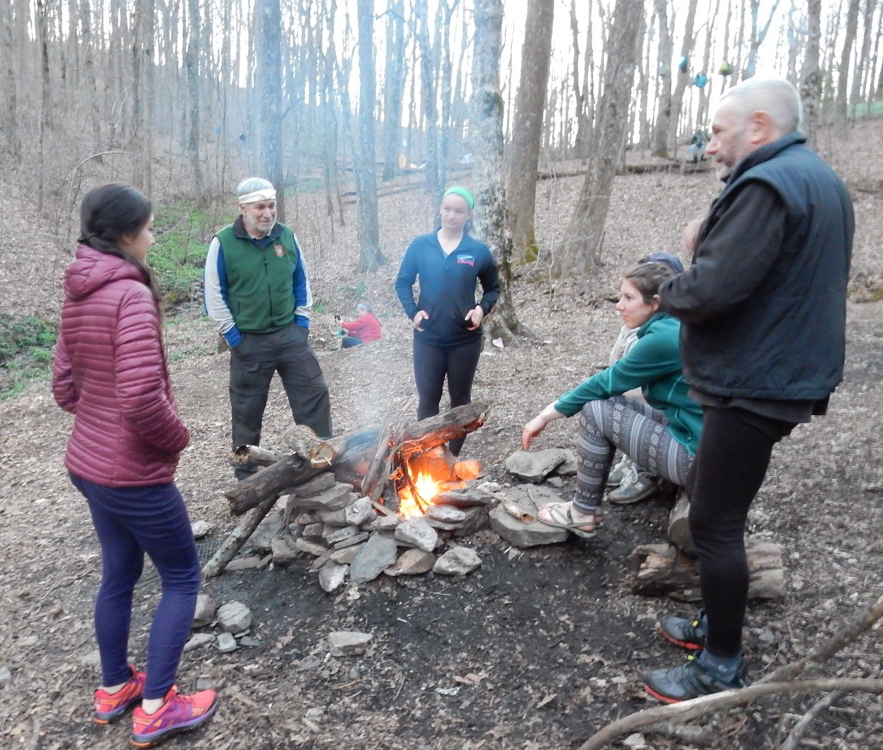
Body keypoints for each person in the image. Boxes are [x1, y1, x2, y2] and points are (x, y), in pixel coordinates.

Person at [644, 78, 854, 703]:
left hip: (754, 381)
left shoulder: (766, 184)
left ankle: (720, 665)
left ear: (758, 127)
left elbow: (710, 291)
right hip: (777, 373)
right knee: (712, 497)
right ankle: (716, 623)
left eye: (716, 132)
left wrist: (679, 271)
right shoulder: (817, 177)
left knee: (713, 520)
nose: (709, 147)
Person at [52, 184, 218, 747]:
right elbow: (144, 397)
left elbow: (64, 388)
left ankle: (115, 687)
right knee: (181, 576)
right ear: (125, 233)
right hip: (131, 473)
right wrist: (177, 439)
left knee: (120, 574)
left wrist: (101, 424)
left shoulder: (80, 287)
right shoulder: (128, 295)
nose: (153, 235)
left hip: (89, 464)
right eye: (148, 226)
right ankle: (156, 708)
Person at [521, 262, 703, 537]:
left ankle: (581, 512)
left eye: (628, 298)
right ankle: (629, 481)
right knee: (613, 401)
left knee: (595, 410)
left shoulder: (662, 339)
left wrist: (545, 415)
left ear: (654, 303)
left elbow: (604, 383)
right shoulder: (677, 324)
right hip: (709, 446)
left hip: (699, 460)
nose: (619, 305)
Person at [204, 177, 332, 480]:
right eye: (260, 207)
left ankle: (323, 463)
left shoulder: (286, 237)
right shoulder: (223, 242)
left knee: (314, 394)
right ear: (243, 209)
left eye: (271, 206)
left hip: (290, 335)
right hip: (249, 340)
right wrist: (233, 336)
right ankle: (246, 479)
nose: (268, 213)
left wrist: (301, 322)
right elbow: (213, 293)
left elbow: (301, 280)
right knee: (246, 412)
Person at [394, 186, 500, 456]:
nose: (451, 215)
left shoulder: (478, 250)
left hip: (465, 339)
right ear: (440, 209)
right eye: (447, 209)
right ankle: (428, 457)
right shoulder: (421, 246)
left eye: (459, 211)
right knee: (428, 400)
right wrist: (412, 311)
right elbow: (403, 282)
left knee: (460, 402)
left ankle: (452, 460)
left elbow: (492, 289)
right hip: (428, 339)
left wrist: (481, 309)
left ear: (469, 216)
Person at [606, 252, 685, 504]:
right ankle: (632, 460)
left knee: (606, 401)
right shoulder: (637, 327)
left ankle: (647, 472)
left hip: (683, 431)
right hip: (664, 409)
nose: (620, 304)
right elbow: (615, 366)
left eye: (630, 297)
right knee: (609, 397)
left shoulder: (666, 335)